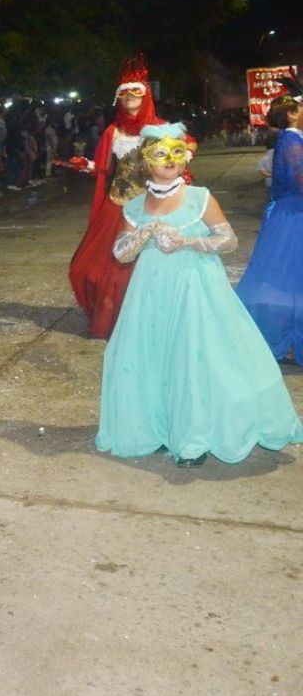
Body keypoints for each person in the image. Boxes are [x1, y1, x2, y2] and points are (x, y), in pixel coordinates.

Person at [96, 123, 303, 466]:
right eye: (160, 153)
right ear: (145, 160)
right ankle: (159, 429)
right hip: (150, 291)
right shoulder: (134, 205)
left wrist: (189, 241)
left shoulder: (199, 197)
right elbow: (120, 253)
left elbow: (229, 239)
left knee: (193, 359)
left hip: (196, 289)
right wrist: (145, 232)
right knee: (156, 356)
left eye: (177, 152)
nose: (170, 159)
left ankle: (196, 437)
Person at [68, 54, 164, 339]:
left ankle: (149, 319)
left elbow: (177, 161)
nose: (129, 96)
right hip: (118, 206)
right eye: (123, 92)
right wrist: (87, 166)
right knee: (94, 266)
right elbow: (107, 168)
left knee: (146, 265)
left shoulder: (159, 129)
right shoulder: (113, 131)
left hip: (150, 206)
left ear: (145, 95)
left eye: (136, 91)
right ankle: (116, 318)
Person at [236, 86, 303, 364]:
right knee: (288, 280)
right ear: (291, 114)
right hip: (294, 216)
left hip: (289, 213)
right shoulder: (292, 143)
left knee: (287, 280)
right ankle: (285, 336)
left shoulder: (291, 140)